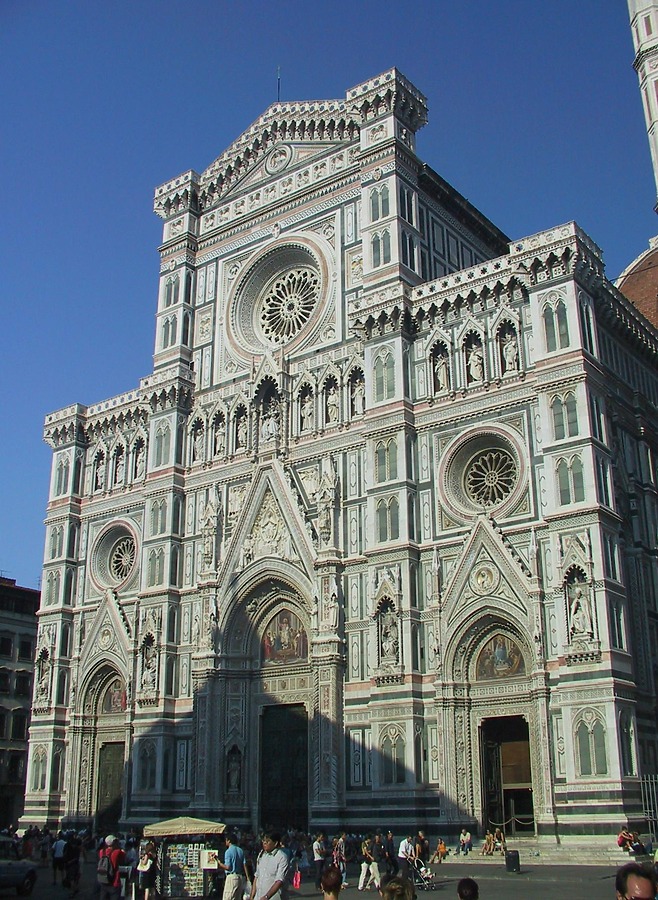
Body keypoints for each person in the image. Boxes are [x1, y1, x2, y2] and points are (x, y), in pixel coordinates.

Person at [251, 831, 289, 900]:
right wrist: (252, 896)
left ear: (275, 843)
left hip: (272, 897)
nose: (264, 843)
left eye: (268, 841)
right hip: (258, 896)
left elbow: (279, 880)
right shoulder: (261, 855)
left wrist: (267, 896)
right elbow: (257, 876)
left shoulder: (282, 857)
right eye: (263, 841)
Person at [97, 835, 126, 900]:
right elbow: (123, 861)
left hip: (103, 879)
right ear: (114, 842)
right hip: (114, 882)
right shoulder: (118, 852)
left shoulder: (101, 851)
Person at [221, 833, 246, 900]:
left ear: (229, 841)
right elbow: (244, 864)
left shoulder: (228, 851)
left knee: (228, 897)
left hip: (231, 876)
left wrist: (219, 863)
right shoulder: (241, 850)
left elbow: (227, 867)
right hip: (240, 877)